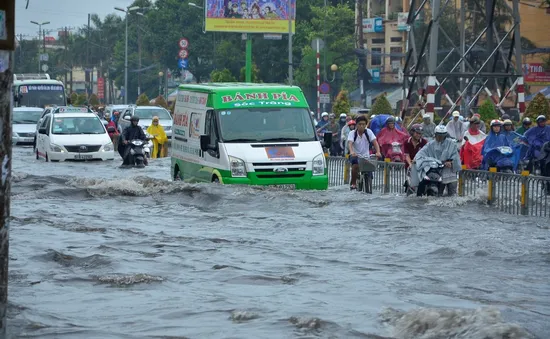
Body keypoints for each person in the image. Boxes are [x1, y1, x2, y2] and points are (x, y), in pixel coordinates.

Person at [412, 125, 462, 196]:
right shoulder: (430, 144)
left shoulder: (451, 144)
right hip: (438, 172)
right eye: (439, 135)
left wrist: (451, 162)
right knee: (439, 194)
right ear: (435, 135)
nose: (440, 137)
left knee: (452, 193)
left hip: (450, 172)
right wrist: (416, 159)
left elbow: (456, 156)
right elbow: (421, 153)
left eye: (442, 135)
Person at [348, 115, 382, 190]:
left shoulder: (368, 132)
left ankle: (368, 182)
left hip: (366, 156)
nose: (362, 126)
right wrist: (351, 152)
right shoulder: (352, 133)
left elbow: (375, 142)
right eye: (360, 124)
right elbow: (350, 144)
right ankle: (353, 183)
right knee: (355, 166)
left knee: (369, 170)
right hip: (355, 155)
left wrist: (378, 152)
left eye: (364, 124)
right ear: (356, 125)